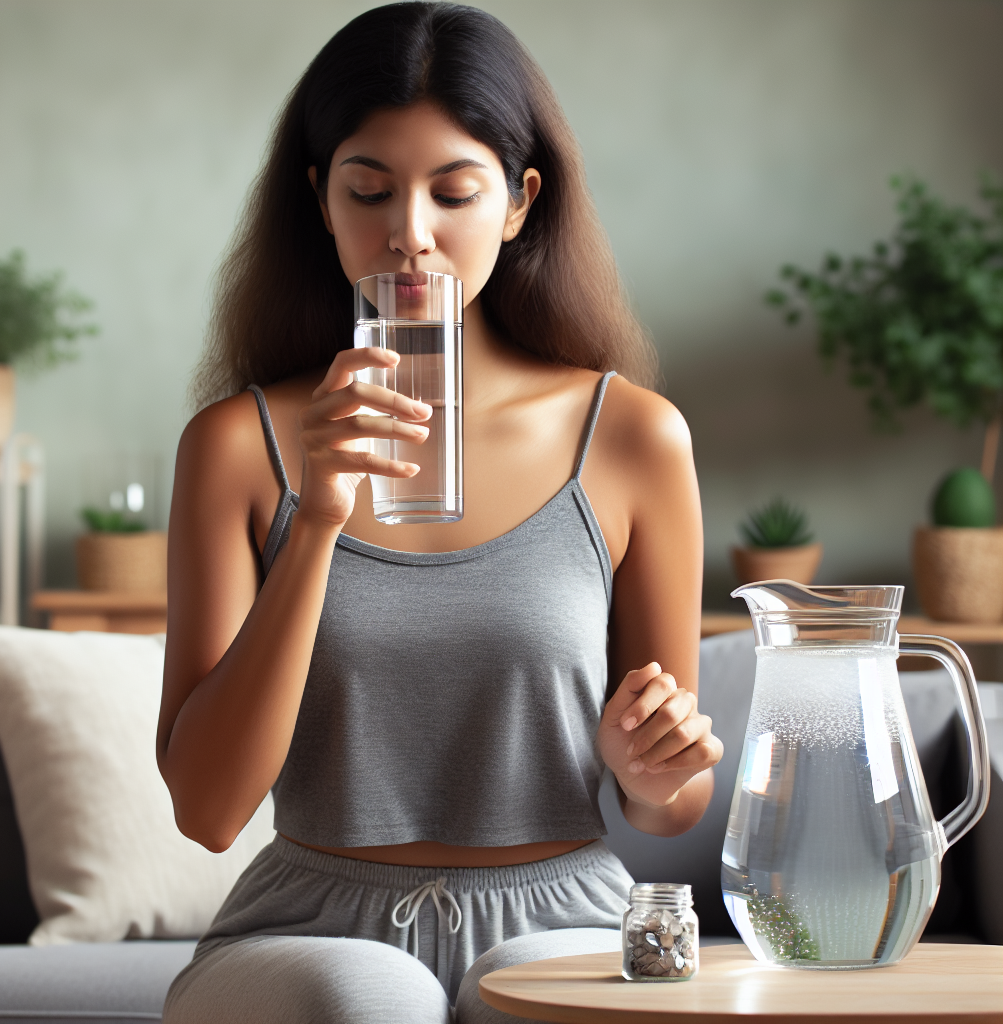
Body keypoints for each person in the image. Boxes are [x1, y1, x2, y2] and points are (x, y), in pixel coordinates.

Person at [158, 4, 722, 1022]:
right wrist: (317, 519)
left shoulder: (634, 438)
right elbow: (208, 811)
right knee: (368, 997)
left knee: (532, 1002)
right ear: (320, 201)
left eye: (454, 192)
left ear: (519, 203)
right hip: (309, 931)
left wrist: (651, 769)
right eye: (368, 190)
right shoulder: (237, 446)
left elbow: (671, 801)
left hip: (566, 916)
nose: (408, 234)